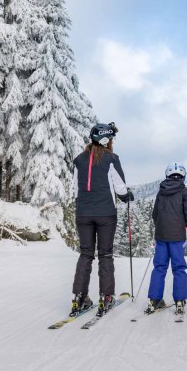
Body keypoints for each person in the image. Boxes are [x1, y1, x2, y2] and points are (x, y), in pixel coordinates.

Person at [69, 122, 134, 317]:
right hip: (106, 213)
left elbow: (75, 190)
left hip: (83, 213)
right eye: (111, 138)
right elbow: (120, 187)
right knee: (105, 254)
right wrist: (126, 196)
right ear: (106, 140)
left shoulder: (79, 160)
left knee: (86, 254)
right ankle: (106, 297)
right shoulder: (111, 159)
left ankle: (79, 298)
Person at [146, 162, 187, 316]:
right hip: (177, 236)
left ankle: (154, 300)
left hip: (161, 235)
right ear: (183, 176)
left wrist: (160, 226)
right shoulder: (185, 192)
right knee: (179, 267)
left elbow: (155, 214)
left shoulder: (161, 192)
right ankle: (179, 301)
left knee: (159, 267)